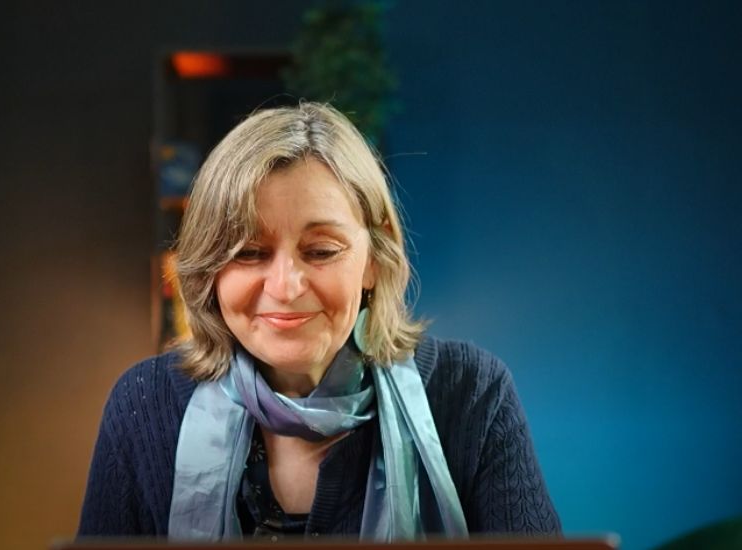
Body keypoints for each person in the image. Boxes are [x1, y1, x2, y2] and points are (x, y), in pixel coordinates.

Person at [78, 102, 561, 541]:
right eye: (249, 253)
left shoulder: (473, 392)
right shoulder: (143, 404)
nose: (286, 286)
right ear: (210, 267)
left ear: (374, 257)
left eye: (321, 251)